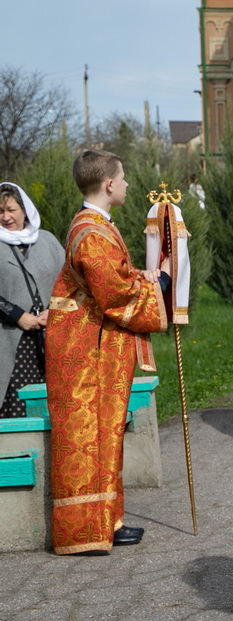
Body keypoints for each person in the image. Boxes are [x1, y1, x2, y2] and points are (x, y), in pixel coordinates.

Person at [45, 150, 171, 554]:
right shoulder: (92, 232)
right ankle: (85, 531)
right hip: (87, 354)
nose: (128, 183)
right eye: (124, 177)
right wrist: (160, 283)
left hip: (95, 348)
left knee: (104, 433)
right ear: (109, 184)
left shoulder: (95, 225)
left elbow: (115, 276)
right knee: (89, 435)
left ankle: (107, 522)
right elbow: (114, 293)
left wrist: (142, 276)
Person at [0, 183, 64, 418]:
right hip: (10, 343)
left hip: (51, 339)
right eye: (0, 211)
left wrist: (55, 310)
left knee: (53, 406)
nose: (6, 217)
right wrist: (17, 316)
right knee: (15, 408)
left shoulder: (47, 241)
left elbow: (70, 283)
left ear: (25, 210)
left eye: (11, 209)